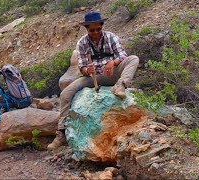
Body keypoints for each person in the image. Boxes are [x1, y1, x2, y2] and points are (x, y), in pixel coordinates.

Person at [47, 11, 139, 150]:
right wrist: (86, 70)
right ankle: (61, 133)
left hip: (112, 73)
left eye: (98, 29)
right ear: (86, 29)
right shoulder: (82, 43)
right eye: (92, 30)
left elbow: (122, 56)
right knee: (65, 94)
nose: (95, 32)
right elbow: (82, 66)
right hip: (93, 77)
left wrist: (113, 62)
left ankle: (120, 85)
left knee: (133, 59)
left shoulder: (111, 37)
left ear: (102, 26)